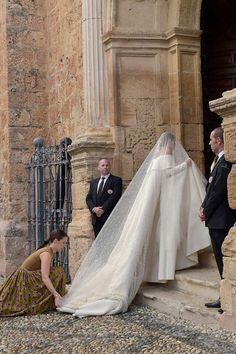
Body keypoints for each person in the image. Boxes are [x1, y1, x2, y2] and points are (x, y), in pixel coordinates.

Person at [58, 132, 210, 317]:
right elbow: (170, 176)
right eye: (172, 144)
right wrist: (184, 166)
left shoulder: (155, 162)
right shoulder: (166, 159)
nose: (173, 147)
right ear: (169, 144)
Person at [199, 127, 236, 310]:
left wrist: (206, 209)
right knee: (220, 260)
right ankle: (224, 296)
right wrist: (203, 207)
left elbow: (219, 190)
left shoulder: (225, 162)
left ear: (219, 141)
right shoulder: (216, 160)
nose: (209, 143)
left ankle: (227, 298)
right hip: (214, 218)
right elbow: (210, 189)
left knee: (223, 259)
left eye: (211, 140)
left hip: (221, 218)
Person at [0, 229, 68, 316]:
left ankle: (55, 297)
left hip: (26, 276)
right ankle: (55, 298)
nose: (64, 246)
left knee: (56, 271)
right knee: (58, 272)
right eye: (63, 242)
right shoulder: (46, 253)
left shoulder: (49, 251)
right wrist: (55, 294)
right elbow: (45, 277)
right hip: (23, 280)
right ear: (55, 241)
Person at [86, 158, 123, 237]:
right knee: (98, 243)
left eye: (107, 165)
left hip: (109, 217)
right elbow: (89, 198)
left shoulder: (116, 180)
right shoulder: (94, 182)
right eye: (103, 165)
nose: (105, 167)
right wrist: (94, 209)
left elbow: (115, 197)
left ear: (109, 167)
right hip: (96, 219)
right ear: (98, 168)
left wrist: (103, 209)